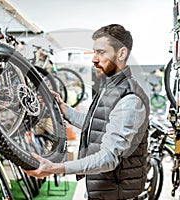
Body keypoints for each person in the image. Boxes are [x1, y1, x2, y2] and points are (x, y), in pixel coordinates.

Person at [25, 24, 150, 200]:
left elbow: (109, 157)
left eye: (101, 52)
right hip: (102, 189)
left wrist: (56, 168)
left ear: (121, 54)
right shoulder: (111, 88)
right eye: (94, 52)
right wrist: (64, 109)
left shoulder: (130, 98)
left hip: (116, 195)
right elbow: (97, 126)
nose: (94, 59)